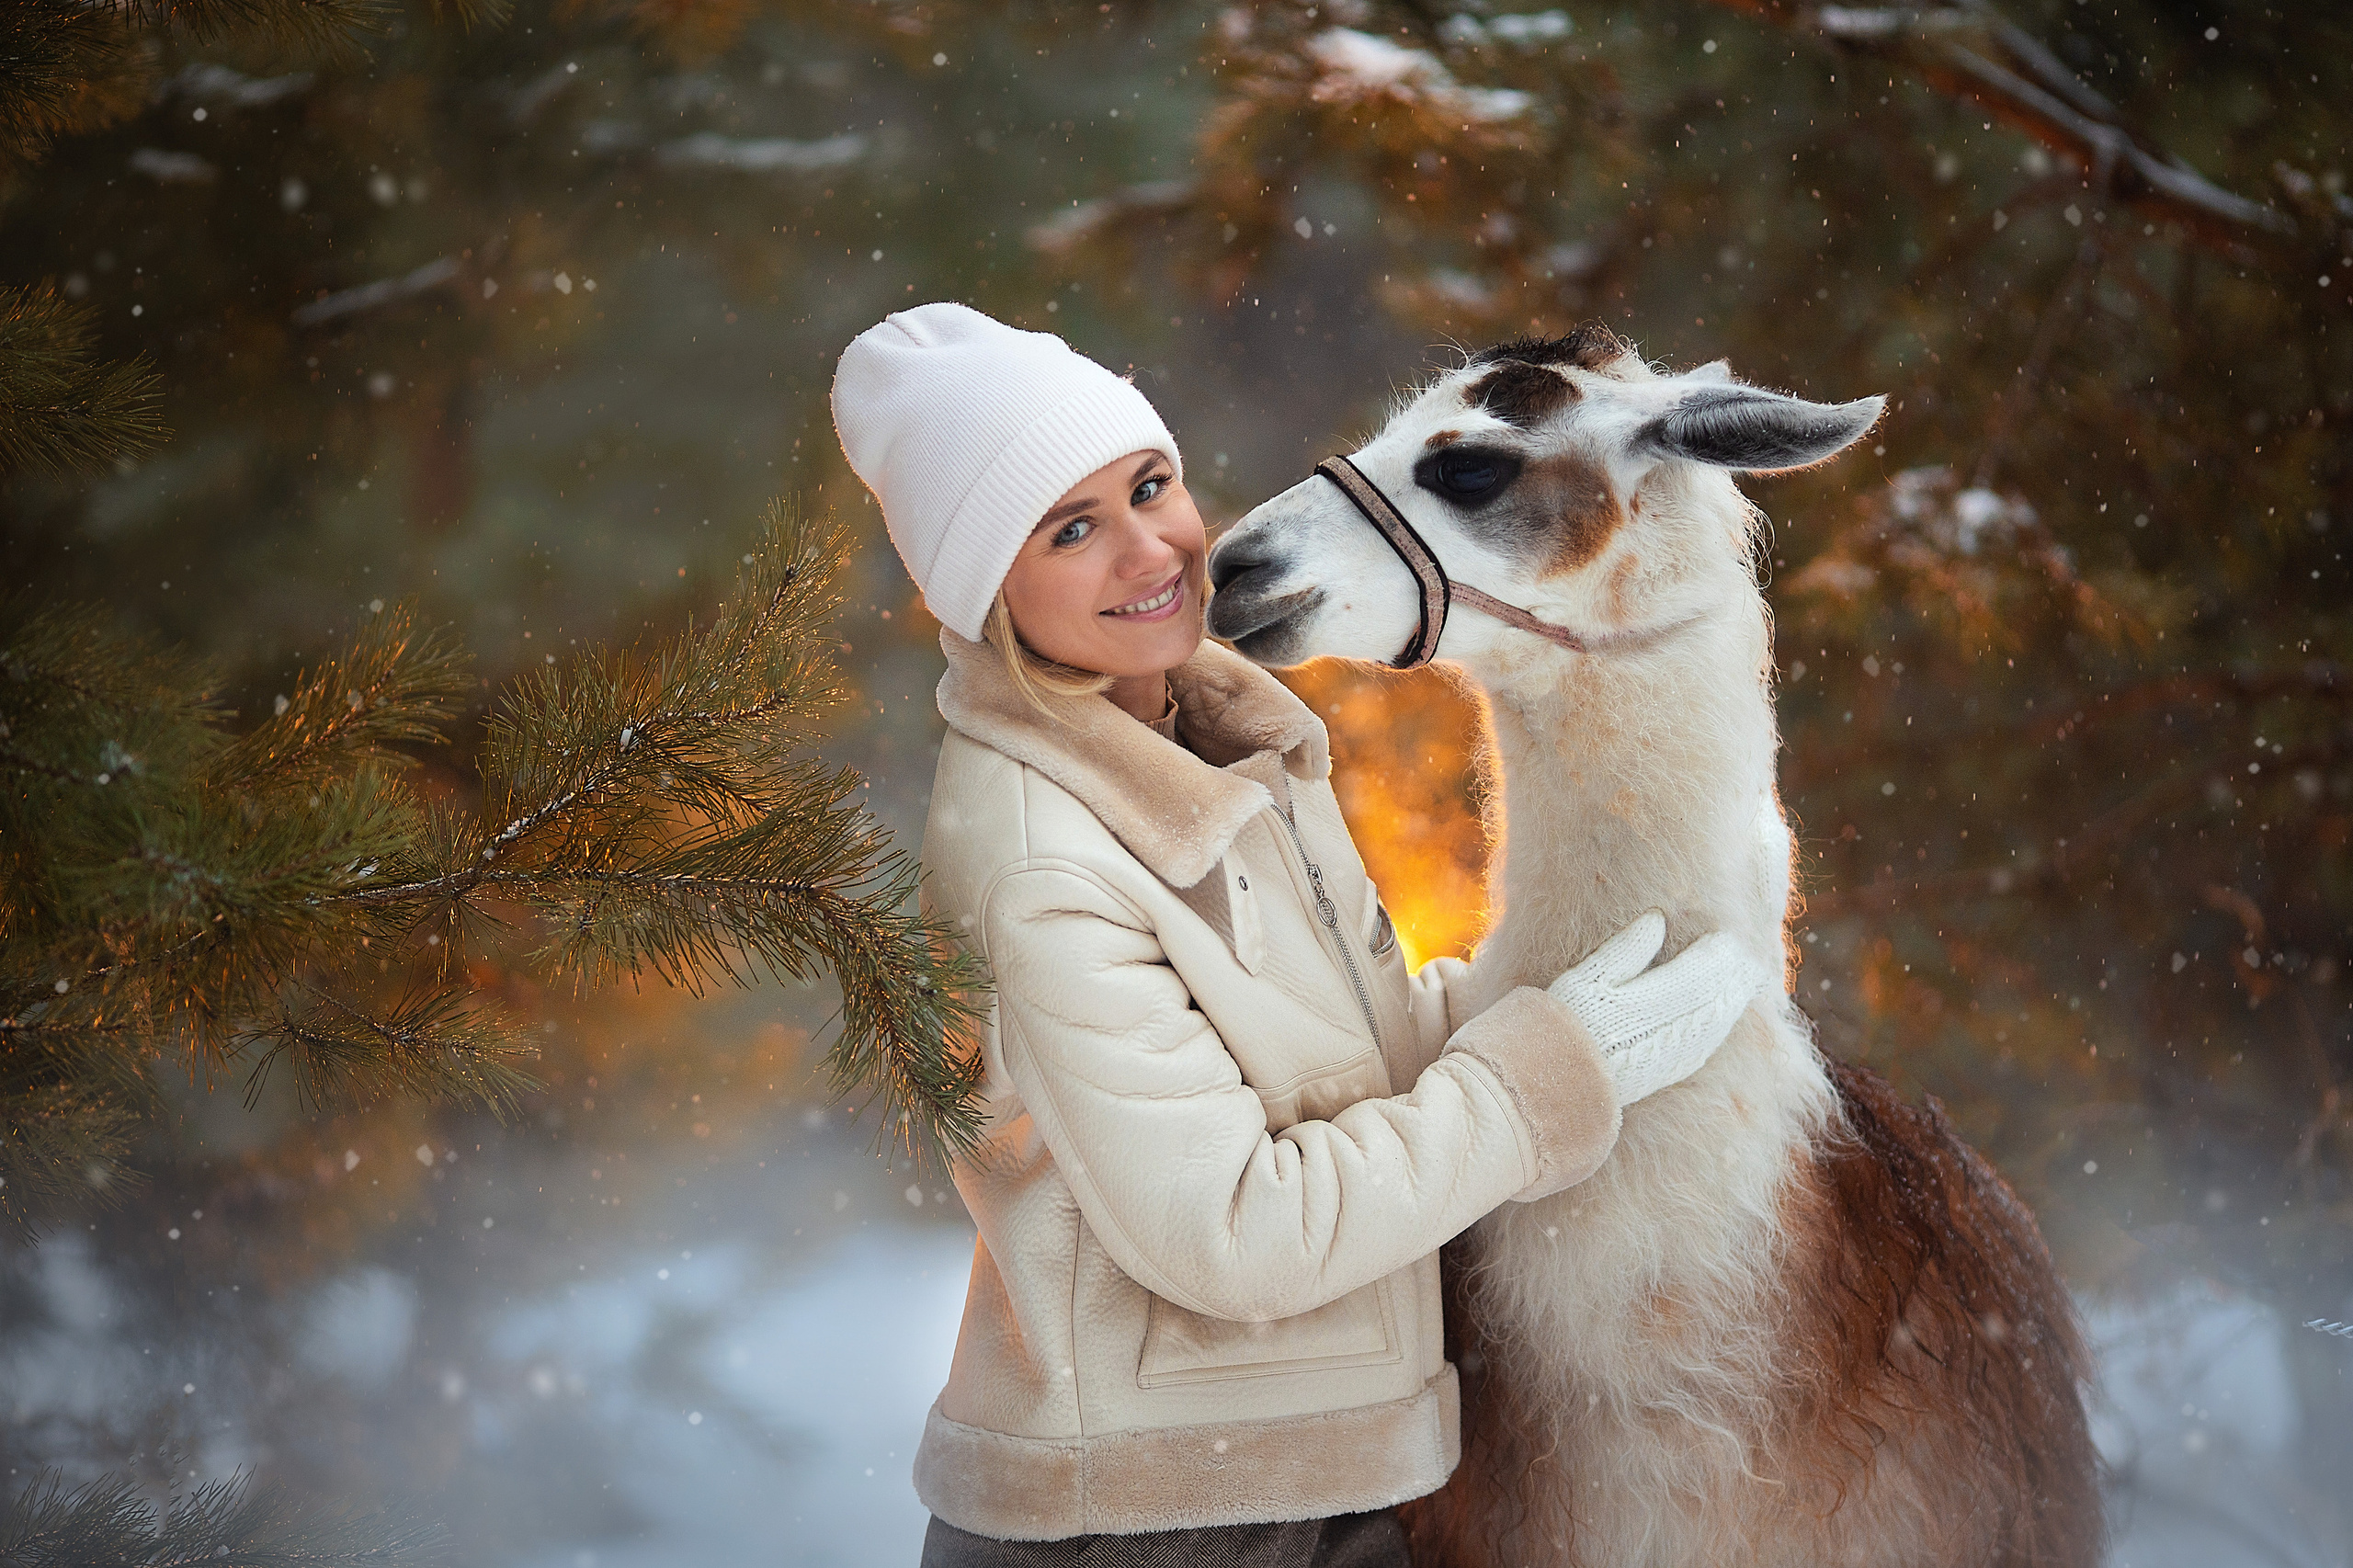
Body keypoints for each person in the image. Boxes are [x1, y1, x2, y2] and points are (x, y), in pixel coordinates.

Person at [831, 303, 1766, 1568]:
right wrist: (1546, 1073)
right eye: (1069, 529)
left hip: (1302, 1486)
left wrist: (1529, 1001)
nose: (1150, 548)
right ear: (986, 588)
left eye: (1148, 485)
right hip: (1152, 1528)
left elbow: (1319, 1063)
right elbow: (1235, 1229)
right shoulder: (1041, 861)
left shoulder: (1213, 746)